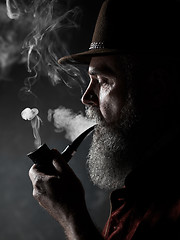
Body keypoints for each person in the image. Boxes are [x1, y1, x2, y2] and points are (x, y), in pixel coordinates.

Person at [29, 0, 180, 239]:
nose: (86, 97)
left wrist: (72, 218)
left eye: (103, 81)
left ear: (156, 88)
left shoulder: (171, 205)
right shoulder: (136, 191)